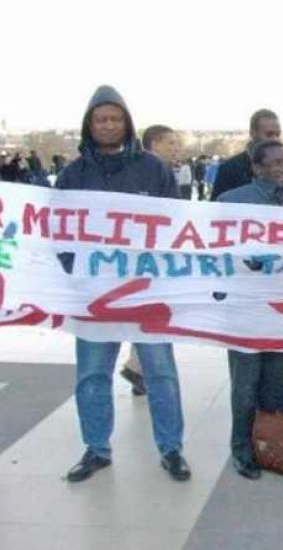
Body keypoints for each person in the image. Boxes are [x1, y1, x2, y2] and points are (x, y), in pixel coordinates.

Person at [56, 85, 190, 483]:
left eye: (115, 118)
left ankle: (171, 448)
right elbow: (58, 230)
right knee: (92, 374)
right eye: (101, 119)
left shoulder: (154, 169)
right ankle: (96, 449)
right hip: (94, 293)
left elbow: (176, 223)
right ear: (89, 124)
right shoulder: (73, 174)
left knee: (160, 373)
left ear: (127, 122)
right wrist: (76, 271)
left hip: (146, 291)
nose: (108, 125)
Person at [216, 139, 283, 479]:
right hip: (245, 307)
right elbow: (216, 252)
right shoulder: (230, 202)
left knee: (280, 381)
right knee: (246, 383)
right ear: (257, 167)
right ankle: (243, 449)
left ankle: (274, 445)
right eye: (276, 162)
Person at [118, 124, 183, 397]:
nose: (176, 148)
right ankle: (139, 368)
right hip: (145, 257)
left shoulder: (159, 172)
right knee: (151, 314)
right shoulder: (146, 172)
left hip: (147, 256)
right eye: (171, 143)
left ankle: (138, 367)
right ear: (154, 144)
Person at [210, 109, 281, 201]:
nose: (275, 140)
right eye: (269, 134)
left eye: (278, 135)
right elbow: (218, 206)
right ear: (253, 134)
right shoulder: (229, 169)